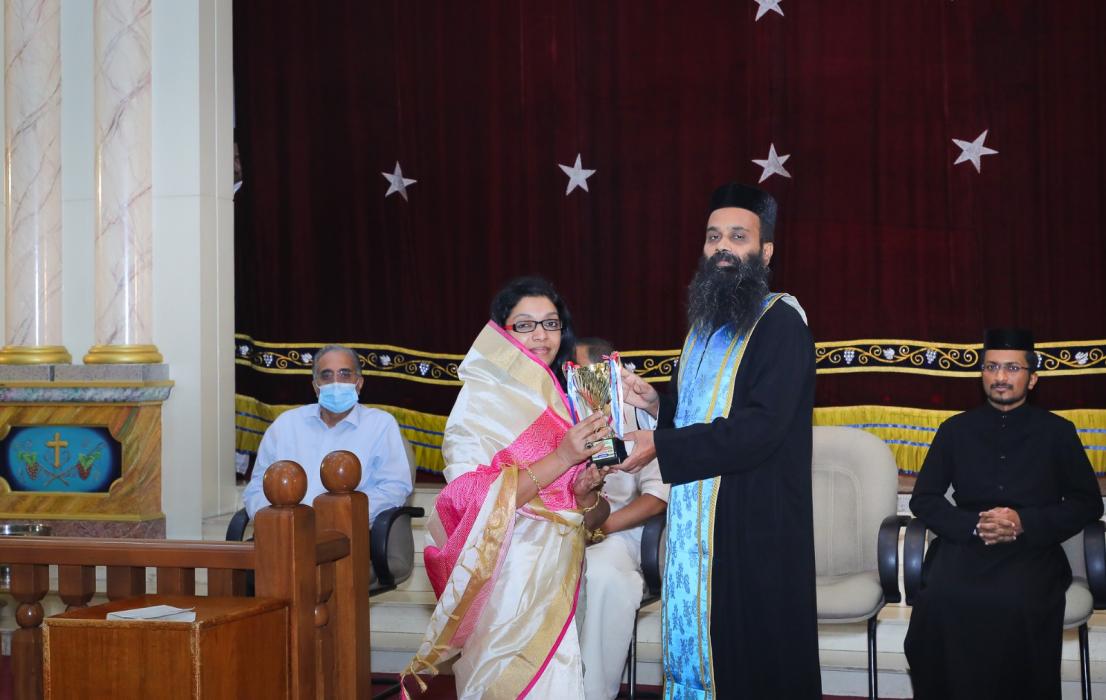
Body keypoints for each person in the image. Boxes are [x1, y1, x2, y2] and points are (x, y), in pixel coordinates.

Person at [617, 182, 822, 698]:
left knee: (750, 659)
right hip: (697, 525)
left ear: (765, 251)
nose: (723, 247)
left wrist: (661, 445)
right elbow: (701, 417)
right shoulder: (702, 330)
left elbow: (761, 428)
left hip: (755, 527)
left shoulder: (780, 325)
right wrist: (658, 407)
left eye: (738, 236)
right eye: (713, 237)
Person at [403, 276, 613, 699]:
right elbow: (465, 502)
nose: (541, 335)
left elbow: (593, 517)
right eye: (525, 325)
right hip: (504, 580)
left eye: (550, 323)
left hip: (562, 576)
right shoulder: (479, 402)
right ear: (501, 333)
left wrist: (585, 493)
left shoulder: (572, 399)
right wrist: (562, 458)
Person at [904, 328, 1103, 700]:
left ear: (1033, 378)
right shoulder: (954, 430)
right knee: (940, 601)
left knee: (1016, 604)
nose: (1000, 377)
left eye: (1012, 368)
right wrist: (975, 525)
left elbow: (1088, 502)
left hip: (1033, 549)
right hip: (965, 545)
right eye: (991, 367)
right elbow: (924, 499)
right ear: (981, 373)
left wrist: (1024, 522)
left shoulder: (1058, 432)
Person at [572, 337, 669, 700]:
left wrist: (599, 529)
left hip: (620, 533)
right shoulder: (558, 412)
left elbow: (657, 498)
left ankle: (592, 693)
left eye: (582, 374)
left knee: (599, 574)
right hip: (562, 529)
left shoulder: (638, 415)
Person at [242, 343, 413, 524]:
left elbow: (394, 488)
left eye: (345, 374)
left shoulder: (380, 425)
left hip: (347, 530)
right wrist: (276, 521)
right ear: (316, 386)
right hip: (284, 530)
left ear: (359, 384)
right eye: (326, 375)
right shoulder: (286, 424)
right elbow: (257, 488)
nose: (336, 383)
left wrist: (337, 515)